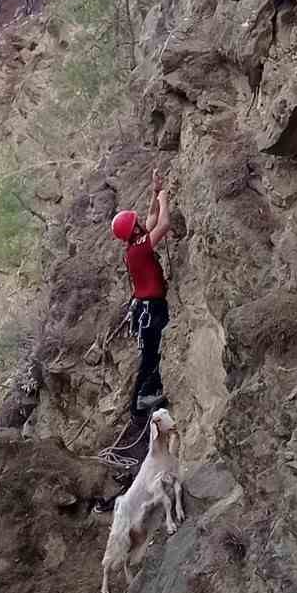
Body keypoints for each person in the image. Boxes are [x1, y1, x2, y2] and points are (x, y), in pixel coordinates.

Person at [111, 171, 172, 417]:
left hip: (145, 307)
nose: (140, 223)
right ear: (133, 231)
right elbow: (163, 224)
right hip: (150, 308)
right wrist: (165, 201)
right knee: (151, 354)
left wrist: (156, 192)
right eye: (135, 224)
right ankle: (139, 404)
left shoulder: (134, 246)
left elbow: (150, 218)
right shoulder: (138, 250)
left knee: (150, 353)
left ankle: (143, 399)